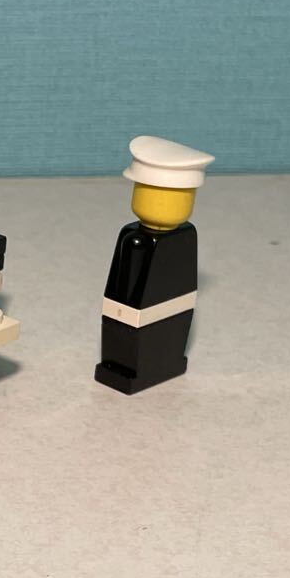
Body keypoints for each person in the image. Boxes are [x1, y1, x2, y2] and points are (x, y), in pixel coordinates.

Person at [95, 136, 214, 394]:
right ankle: (123, 366)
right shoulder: (132, 237)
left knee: (147, 333)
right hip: (125, 314)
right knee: (122, 330)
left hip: (160, 321)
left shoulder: (178, 239)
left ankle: (153, 366)